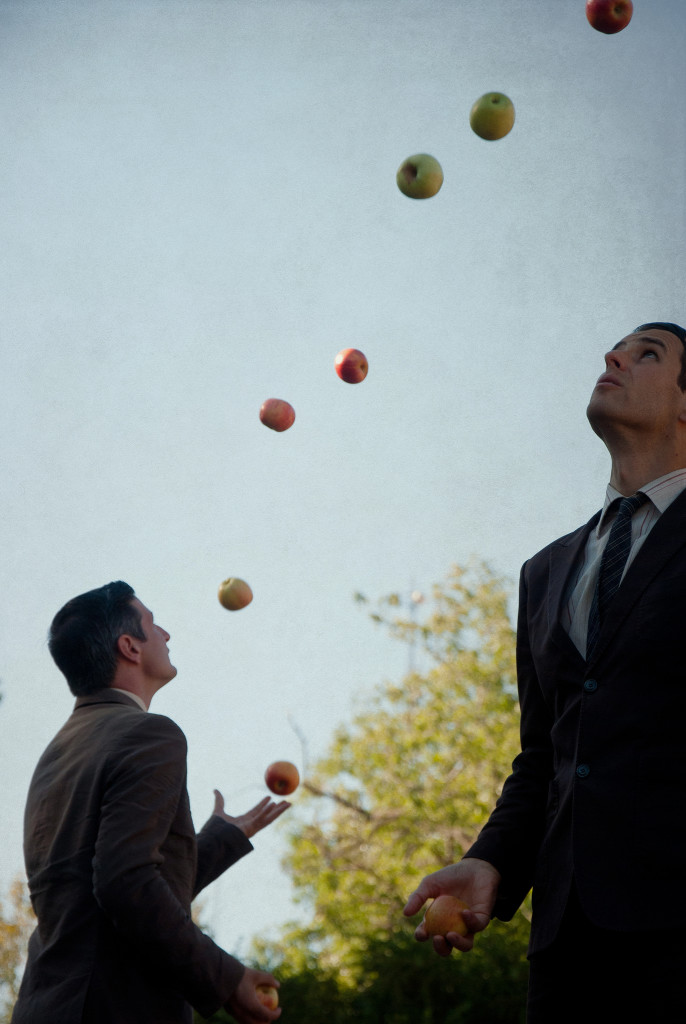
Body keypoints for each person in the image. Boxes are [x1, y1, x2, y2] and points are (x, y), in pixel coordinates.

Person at [403, 322, 686, 1023]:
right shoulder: (546, 571)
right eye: (618, 347)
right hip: (568, 948)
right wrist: (491, 861)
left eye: (648, 353)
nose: (614, 356)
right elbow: (546, 758)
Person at [12, 581, 288, 1024]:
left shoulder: (57, 751)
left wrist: (220, 841)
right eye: (154, 625)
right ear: (130, 647)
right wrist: (225, 978)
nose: (166, 635)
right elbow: (124, 883)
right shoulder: (149, 733)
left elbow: (101, 892)